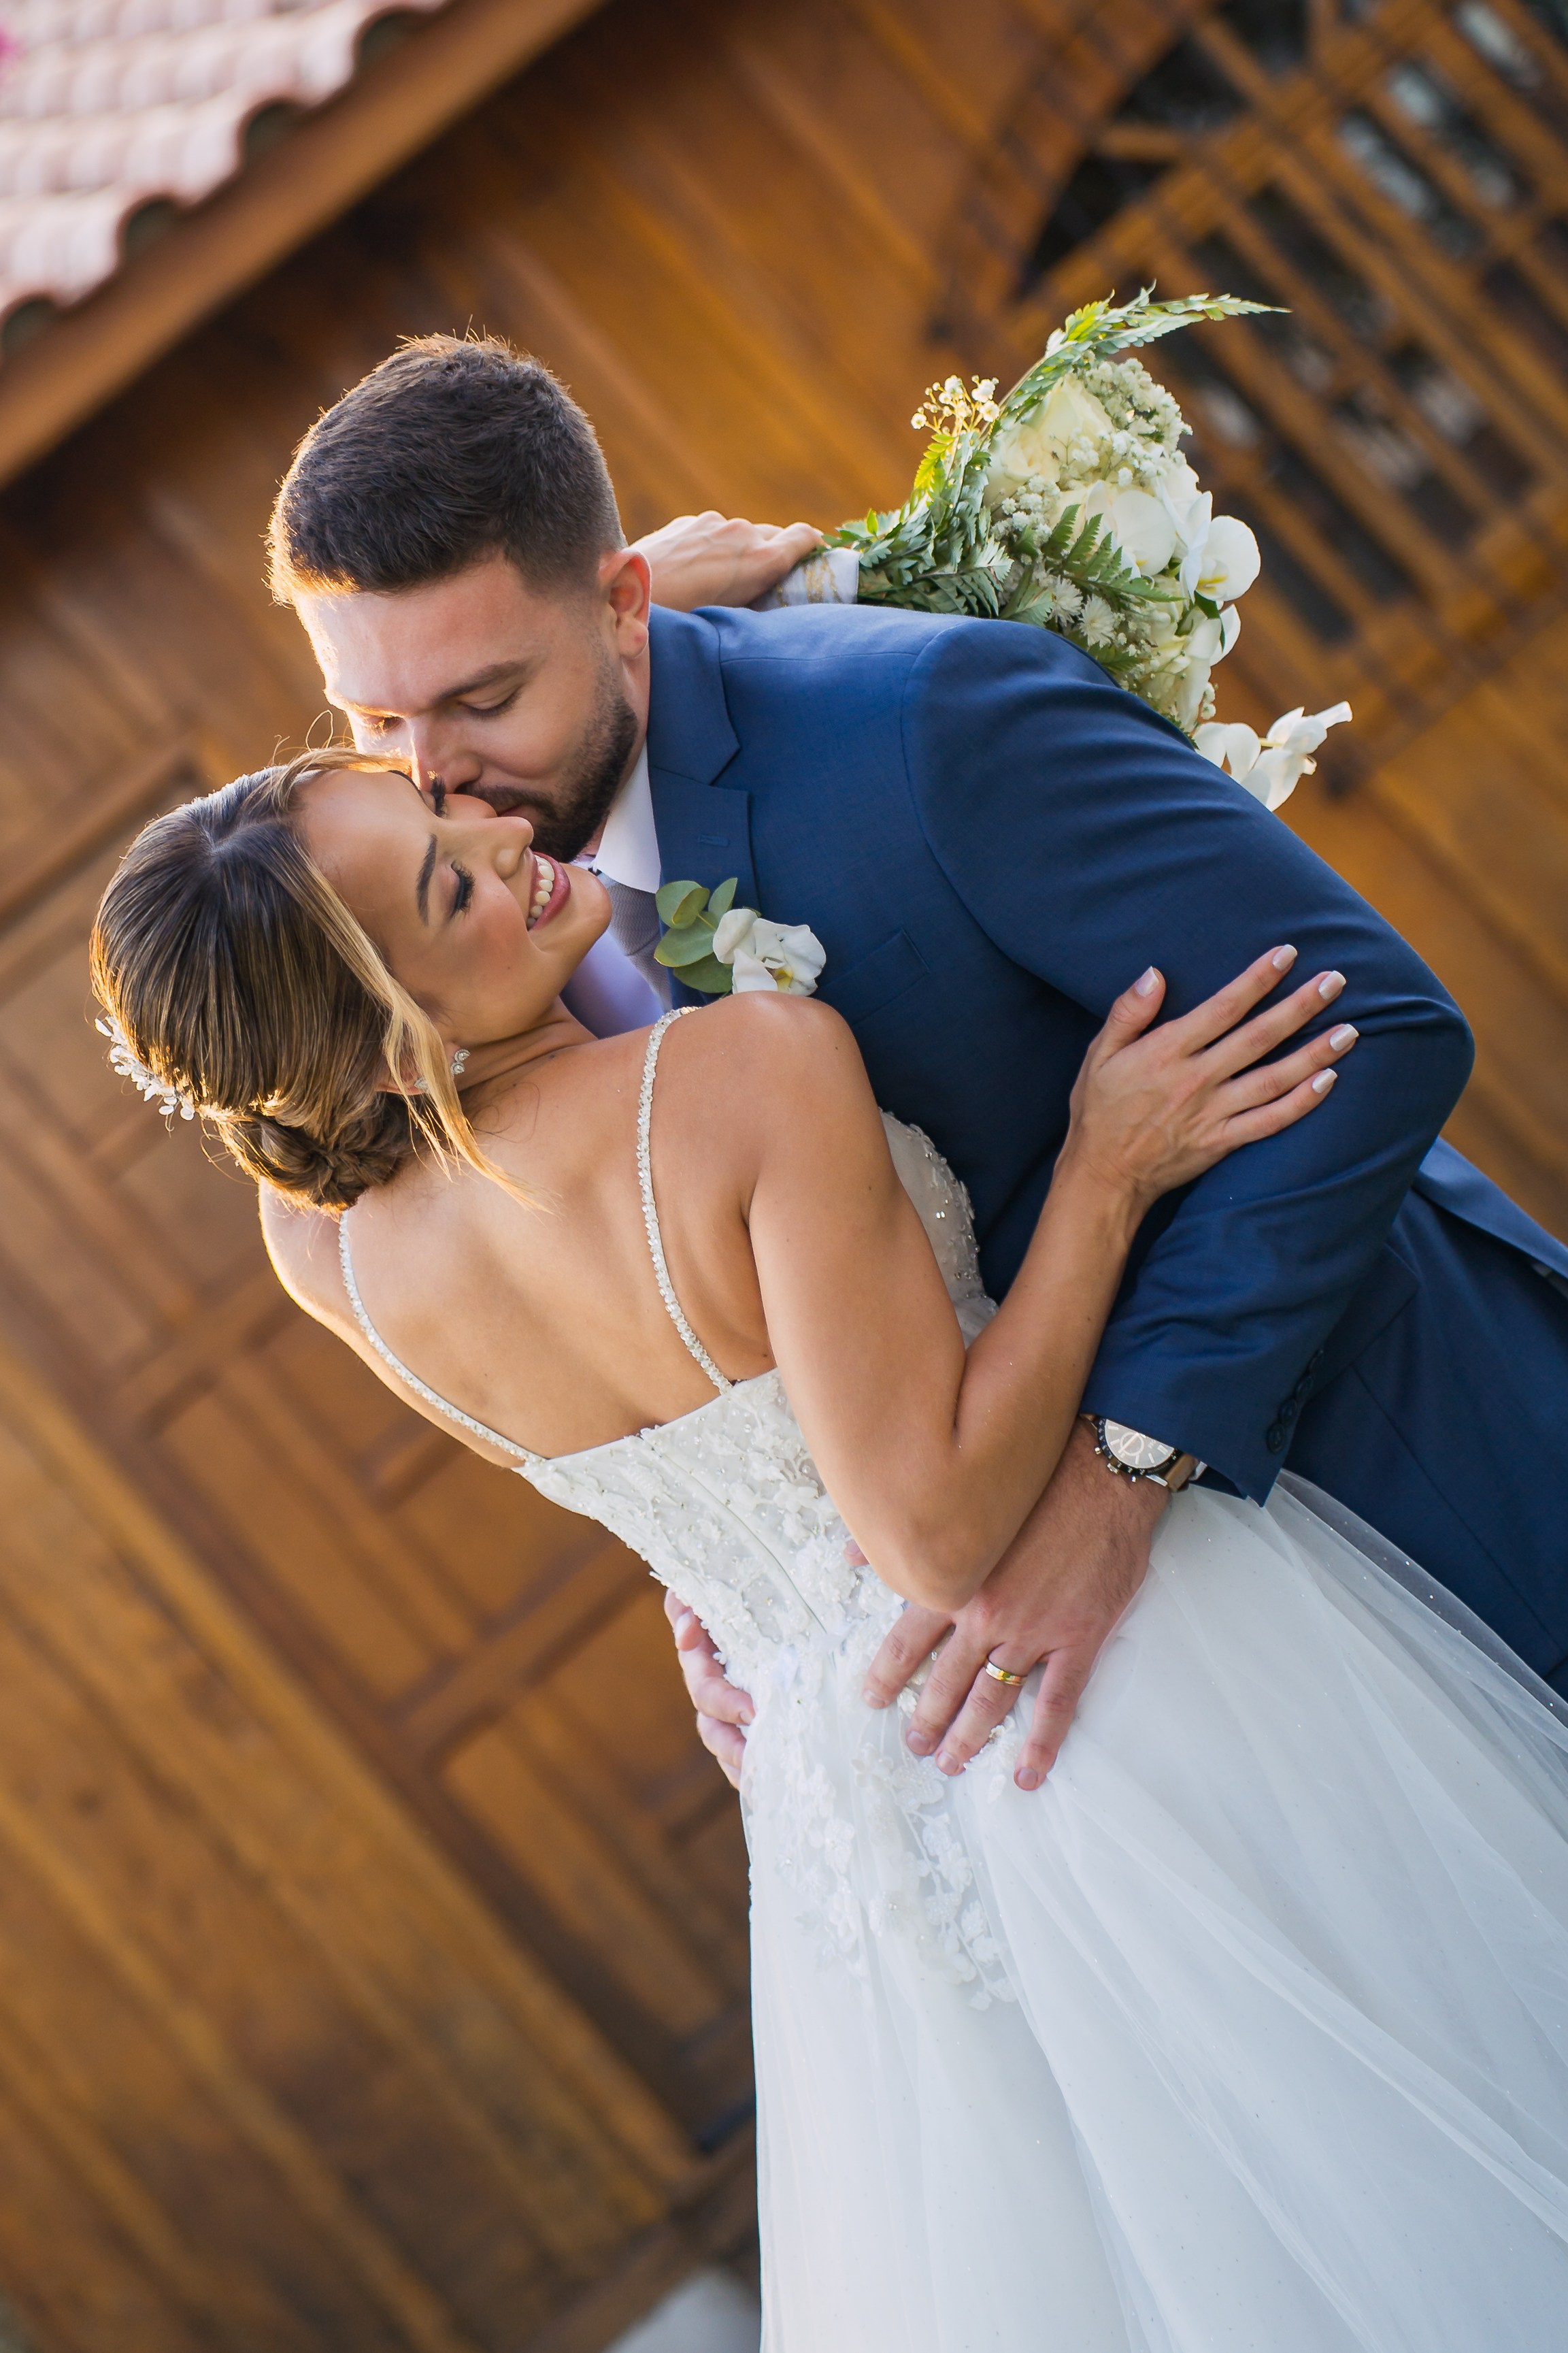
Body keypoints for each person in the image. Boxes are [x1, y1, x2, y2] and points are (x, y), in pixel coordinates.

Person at [91, 749, 1568, 2346]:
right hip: (1076, 1692)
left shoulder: (324, 1255)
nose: (505, 833)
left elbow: (689, 1451)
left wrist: (710, 1585)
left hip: (833, 1817)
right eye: (452, 884)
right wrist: (1105, 1169)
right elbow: (936, 1530)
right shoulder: (742, 1072)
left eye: (443, 801)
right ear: (390, 1047)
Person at [258, 334, 1568, 1801]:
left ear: (623, 606)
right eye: (376, 721)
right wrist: (732, 1584)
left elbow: (1370, 1021)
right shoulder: (450, 940)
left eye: (484, 697)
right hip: (1068, 1754)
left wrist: (1118, 1481)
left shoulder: (920, 723)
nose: (431, 777)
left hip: (1413, 1498)